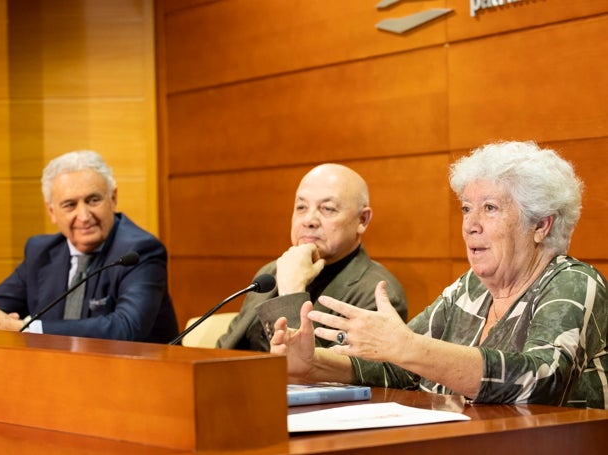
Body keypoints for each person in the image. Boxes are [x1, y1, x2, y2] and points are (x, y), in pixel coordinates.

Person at [271, 141, 608, 409]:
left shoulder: (574, 282)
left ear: (540, 224)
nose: (470, 225)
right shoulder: (469, 289)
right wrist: (312, 364)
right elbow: (399, 364)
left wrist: (409, 348)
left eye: (489, 208)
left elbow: (542, 379)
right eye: (466, 208)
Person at [0, 150, 179, 343]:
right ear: (52, 211)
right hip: (58, 376)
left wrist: (24, 329)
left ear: (113, 198)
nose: (83, 216)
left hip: (138, 377)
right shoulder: (41, 252)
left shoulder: (140, 251)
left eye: (93, 200)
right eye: (69, 205)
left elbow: (126, 327)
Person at [217, 163, 407, 351]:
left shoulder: (377, 294)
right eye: (301, 207)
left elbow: (319, 373)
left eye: (328, 209)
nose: (309, 220)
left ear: (362, 220)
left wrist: (290, 293)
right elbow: (225, 348)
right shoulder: (271, 272)